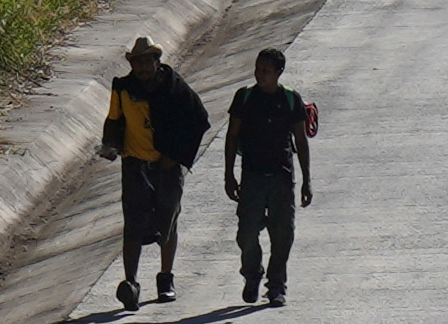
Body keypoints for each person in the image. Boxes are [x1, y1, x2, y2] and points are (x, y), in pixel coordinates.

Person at [98, 35, 208, 307]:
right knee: (132, 226)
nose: (144, 67)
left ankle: (165, 279)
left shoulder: (174, 88)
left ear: (158, 62)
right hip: (135, 164)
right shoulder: (123, 88)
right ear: (132, 64)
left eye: (148, 61)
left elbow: (198, 120)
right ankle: (131, 283)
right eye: (138, 62)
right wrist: (110, 146)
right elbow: (113, 120)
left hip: (167, 167)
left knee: (168, 223)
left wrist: (175, 156)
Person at [222, 47, 314, 306]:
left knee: (283, 234)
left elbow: (300, 139)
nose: (259, 75)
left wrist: (307, 180)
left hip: (282, 177)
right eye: (257, 69)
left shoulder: (290, 99)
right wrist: (229, 174)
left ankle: (276, 286)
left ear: (279, 72)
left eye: (266, 71)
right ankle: (252, 275)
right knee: (247, 233)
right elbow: (231, 136)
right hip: (252, 176)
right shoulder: (245, 98)